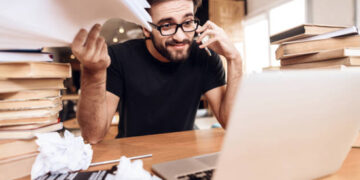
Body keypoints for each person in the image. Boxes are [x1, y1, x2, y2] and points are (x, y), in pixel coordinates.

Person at [71, 0, 242, 144]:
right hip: (131, 157)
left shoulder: (205, 56)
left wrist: (234, 59)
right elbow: (93, 135)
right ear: (145, 28)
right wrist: (93, 74)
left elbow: (231, 123)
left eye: (188, 22)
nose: (181, 36)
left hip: (182, 152)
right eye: (167, 25)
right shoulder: (118, 56)